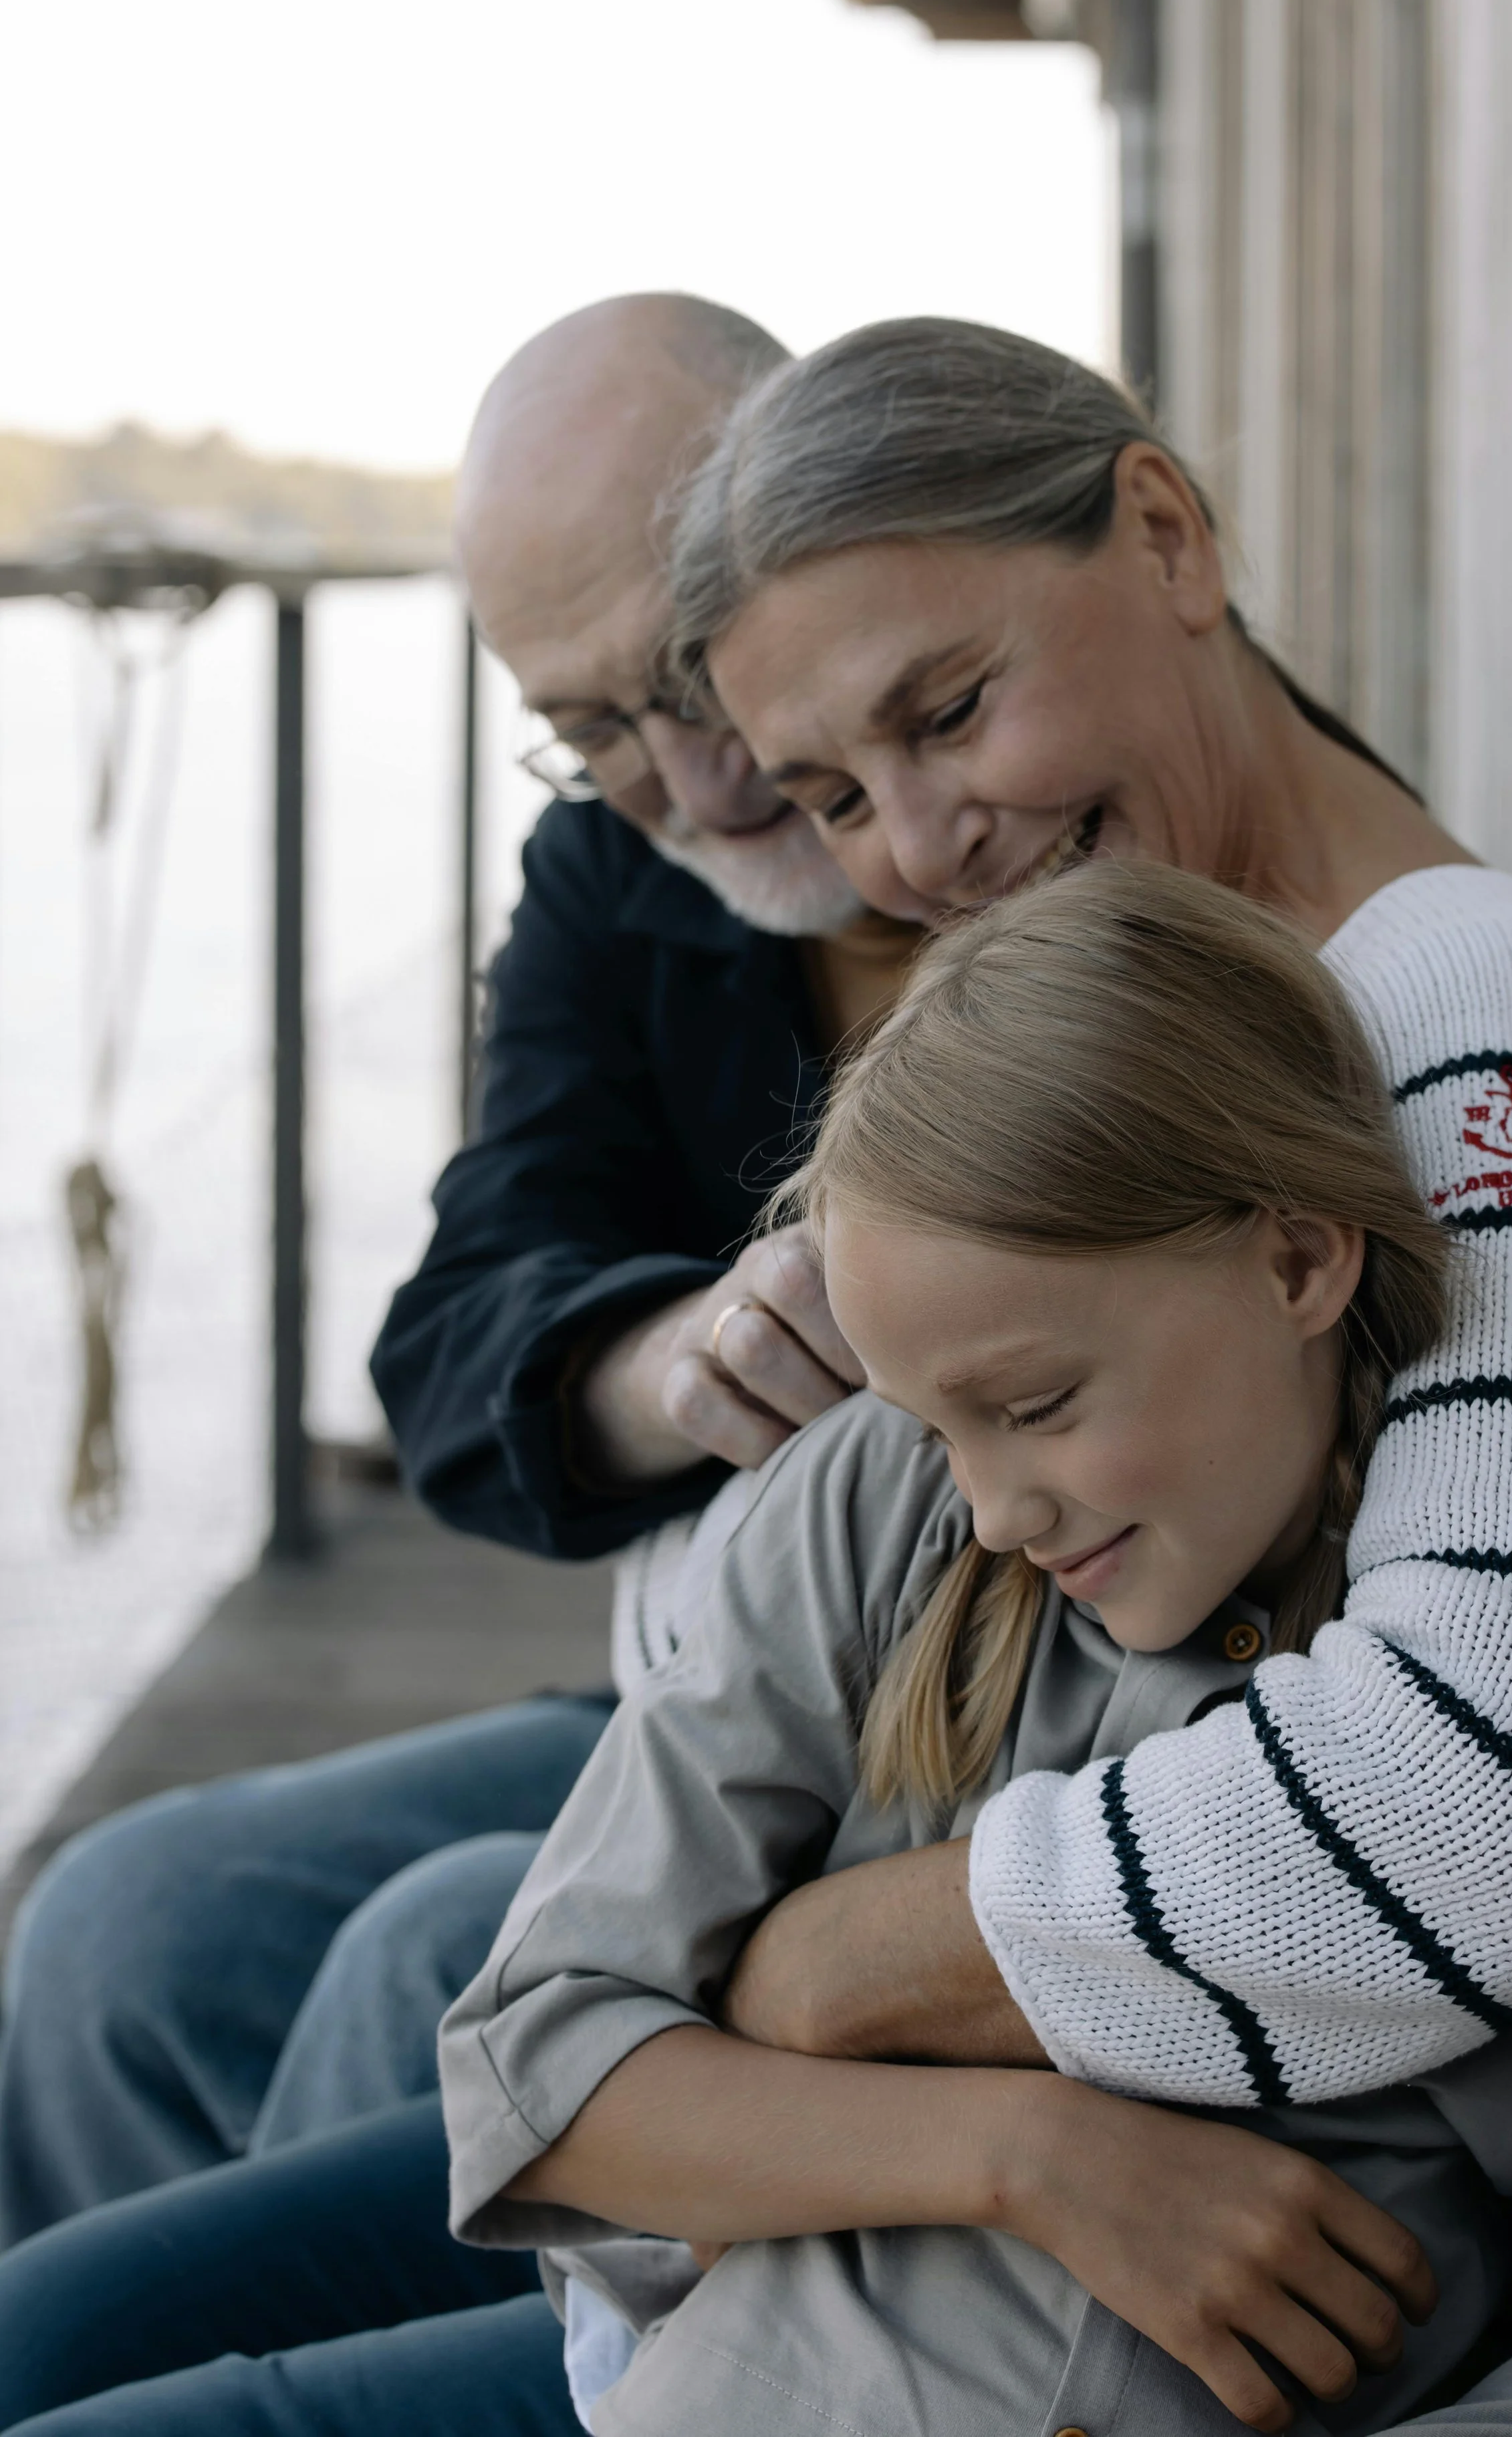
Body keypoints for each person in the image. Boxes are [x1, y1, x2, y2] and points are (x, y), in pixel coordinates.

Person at [438, 860, 1512, 2437]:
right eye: (931, 1416)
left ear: (1296, 1262)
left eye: (1033, 1410)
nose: (992, 1509)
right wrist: (1038, 2162)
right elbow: (532, 2078)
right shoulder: (887, 1506)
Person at [665, 313, 1512, 2101]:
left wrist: (831, 1960)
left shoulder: (1457, 1008)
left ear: (1164, 534)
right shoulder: (1136, 1034)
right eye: (829, 796)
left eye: (952, 709)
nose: (915, 845)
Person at [0, 292, 904, 2244]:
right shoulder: (615, 863)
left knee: (421, 1956)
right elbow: (455, 1335)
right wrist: (671, 1358)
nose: (699, 771)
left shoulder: (1042, 815)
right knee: (117, 1913)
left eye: (696, 669)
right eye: (587, 723)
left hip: (933, 1745)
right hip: (687, 1682)